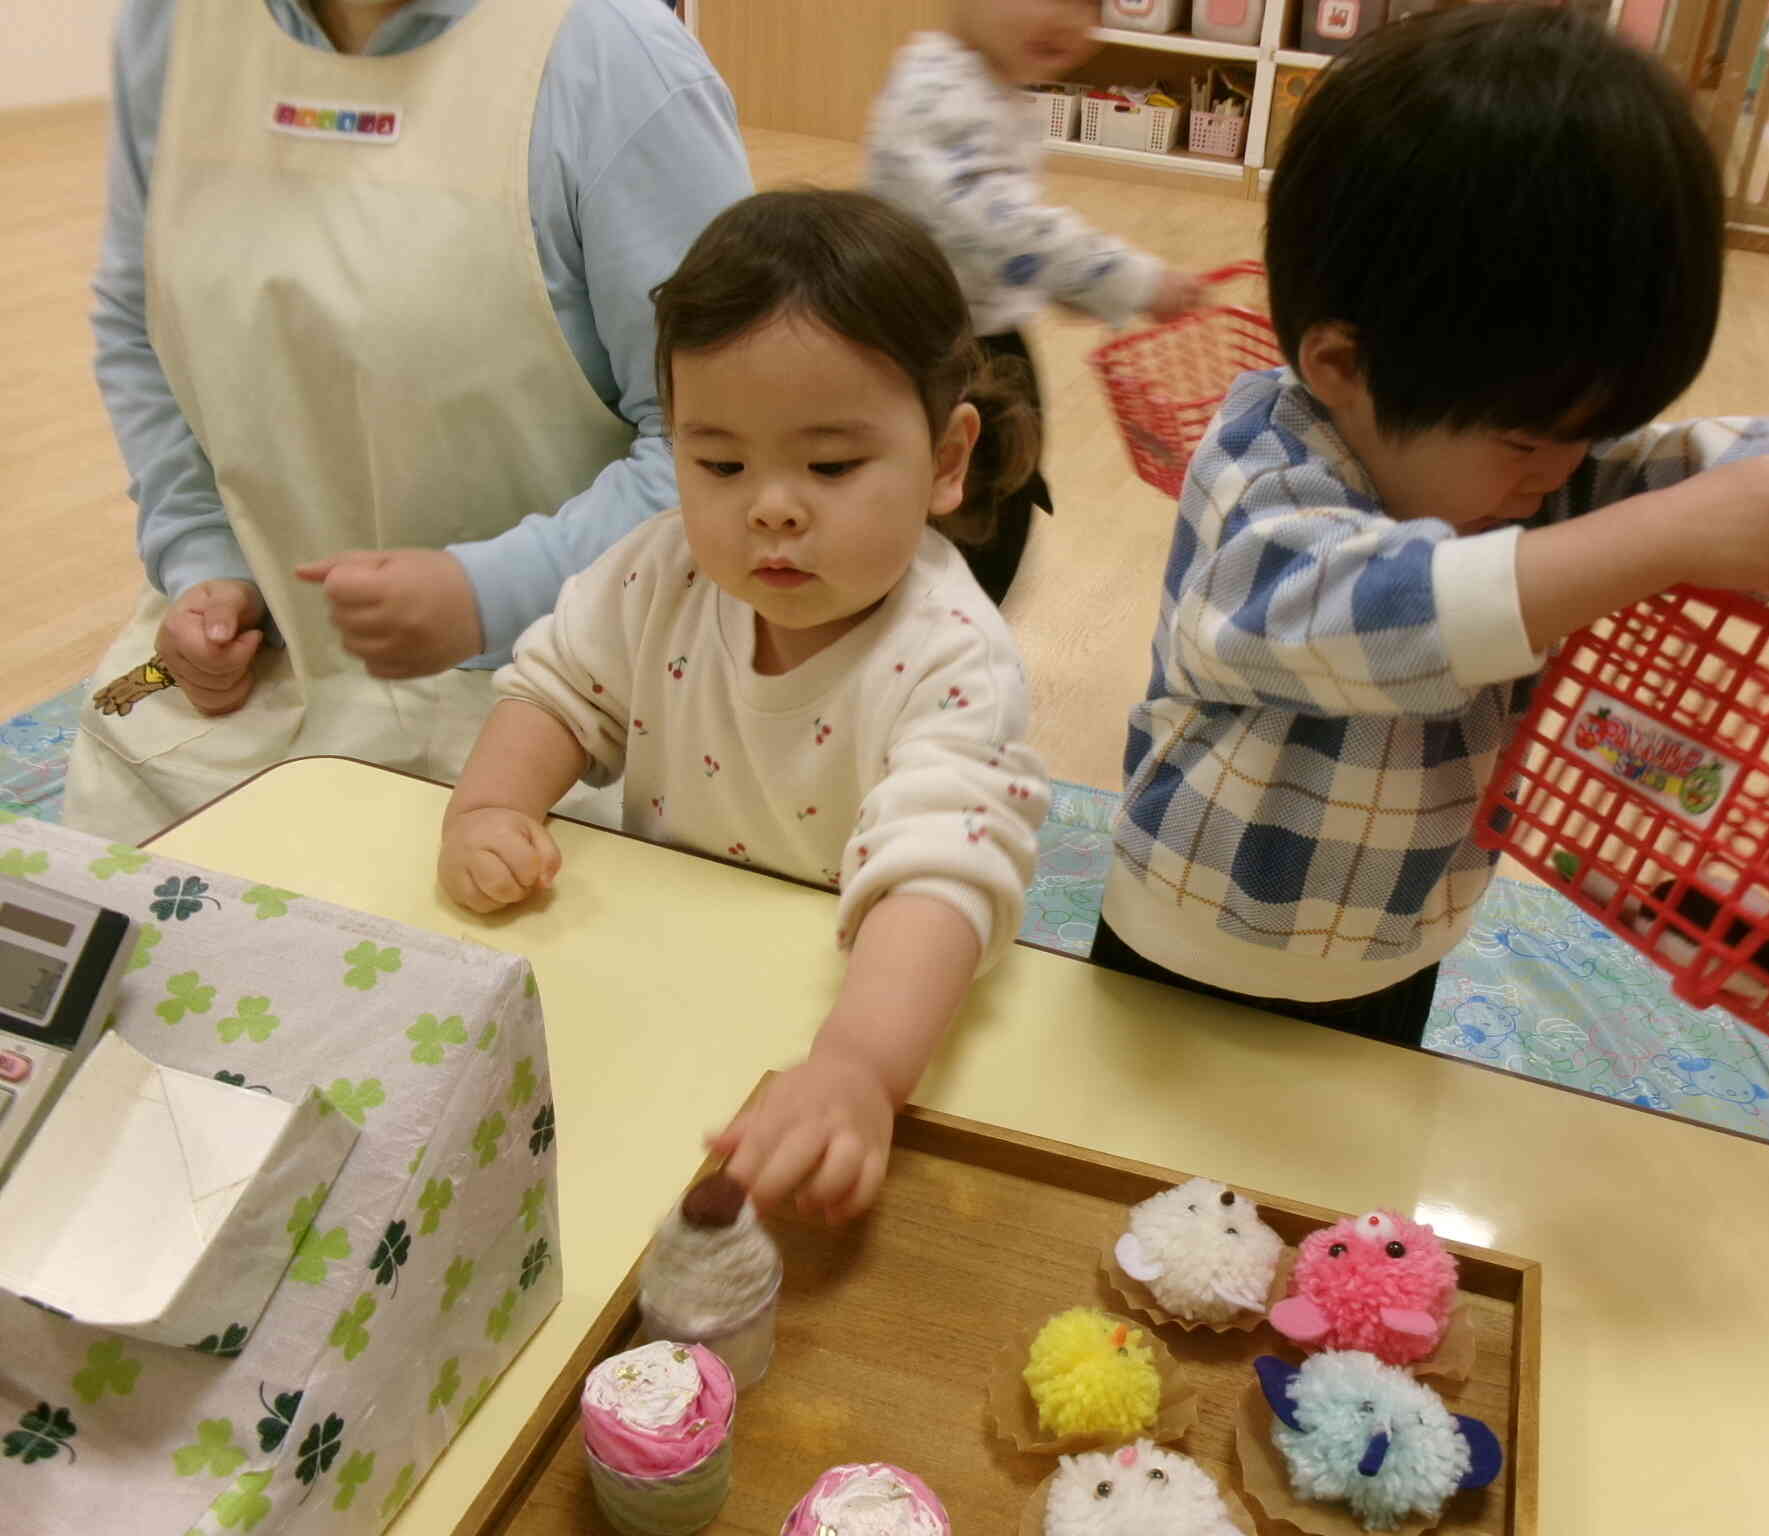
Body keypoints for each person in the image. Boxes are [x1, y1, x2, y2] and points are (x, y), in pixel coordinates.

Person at [1092, 6, 1769, 1045]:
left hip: (1403, 936)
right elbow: (1337, 616)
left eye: (1592, 437)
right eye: (1529, 440)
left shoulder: (1539, 468)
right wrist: (1659, 537)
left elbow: (1688, 471)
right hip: (1192, 926)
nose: (1561, 475)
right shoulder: (1259, 459)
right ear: (1342, 368)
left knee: (1334, 1198)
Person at [437, 189, 1051, 1222]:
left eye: (830, 464)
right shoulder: (661, 574)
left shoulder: (952, 662)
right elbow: (557, 689)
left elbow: (940, 876)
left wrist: (857, 1067)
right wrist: (489, 808)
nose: (769, 504)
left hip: (846, 1014)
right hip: (664, 984)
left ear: (945, 460)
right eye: (718, 463)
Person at [71, 0, 752, 842]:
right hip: (257, 656)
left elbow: (734, 452)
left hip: (555, 688)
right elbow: (136, 318)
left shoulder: (614, 60)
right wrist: (203, 559)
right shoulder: (172, 26)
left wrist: (486, 593)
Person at [865, 0, 1204, 605]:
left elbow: (991, 244)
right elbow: (998, 228)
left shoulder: (986, 87)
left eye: (1089, 5)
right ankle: (944, 648)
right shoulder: (939, 90)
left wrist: (1069, 284)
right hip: (937, 358)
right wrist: (1132, 280)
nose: (1069, 20)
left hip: (971, 337)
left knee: (988, 505)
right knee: (972, 520)